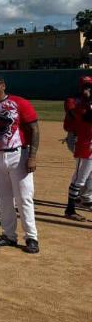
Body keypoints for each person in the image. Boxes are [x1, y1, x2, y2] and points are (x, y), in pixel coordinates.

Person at [0, 73, 40, 254]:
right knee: (3, 199)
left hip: (19, 155)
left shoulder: (19, 102)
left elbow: (34, 129)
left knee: (24, 197)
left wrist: (32, 155)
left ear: (3, 85)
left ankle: (31, 236)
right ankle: (9, 235)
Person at [64, 76, 92, 221]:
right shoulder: (77, 104)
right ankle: (70, 209)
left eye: (90, 87)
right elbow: (86, 118)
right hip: (84, 145)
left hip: (89, 143)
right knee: (79, 179)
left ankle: (86, 199)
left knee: (89, 175)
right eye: (86, 87)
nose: (88, 90)